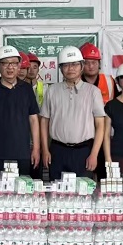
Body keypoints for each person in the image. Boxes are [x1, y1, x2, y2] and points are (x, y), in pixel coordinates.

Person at [40, 46, 105, 181]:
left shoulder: (93, 91)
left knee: (83, 191)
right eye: (66, 65)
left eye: (75, 64)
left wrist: (94, 154)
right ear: (60, 68)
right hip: (57, 150)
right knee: (56, 190)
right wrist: (45, 150)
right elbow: (44, 121)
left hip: (84, 151)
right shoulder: (52, 90)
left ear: (81, 66)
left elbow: (100, 125)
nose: (70, 69)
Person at [0, 46, 40, 184]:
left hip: (22, 154)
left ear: (19, 66)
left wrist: (36, 148)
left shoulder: (27, 89)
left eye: (14, 63)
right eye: (5, 63)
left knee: (21, 193)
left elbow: (34, 120)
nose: (10, 67)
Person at [80, 42, 118, 181]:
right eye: (87, 63)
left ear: (99, 64)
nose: (91, 66)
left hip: (106, 136)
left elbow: (117, 105)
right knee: (85, 177)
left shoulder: (109, 81)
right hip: (83, 137)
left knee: (105, 177)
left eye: (94, 62)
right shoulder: (75, 82)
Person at [25, 52, 48, 181]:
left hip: (39, 137)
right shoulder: (18, 88)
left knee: (36, 176)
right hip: (22, 137)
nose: (31, 70)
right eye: (28, 67)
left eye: (35, 67)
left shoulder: (45, 89)